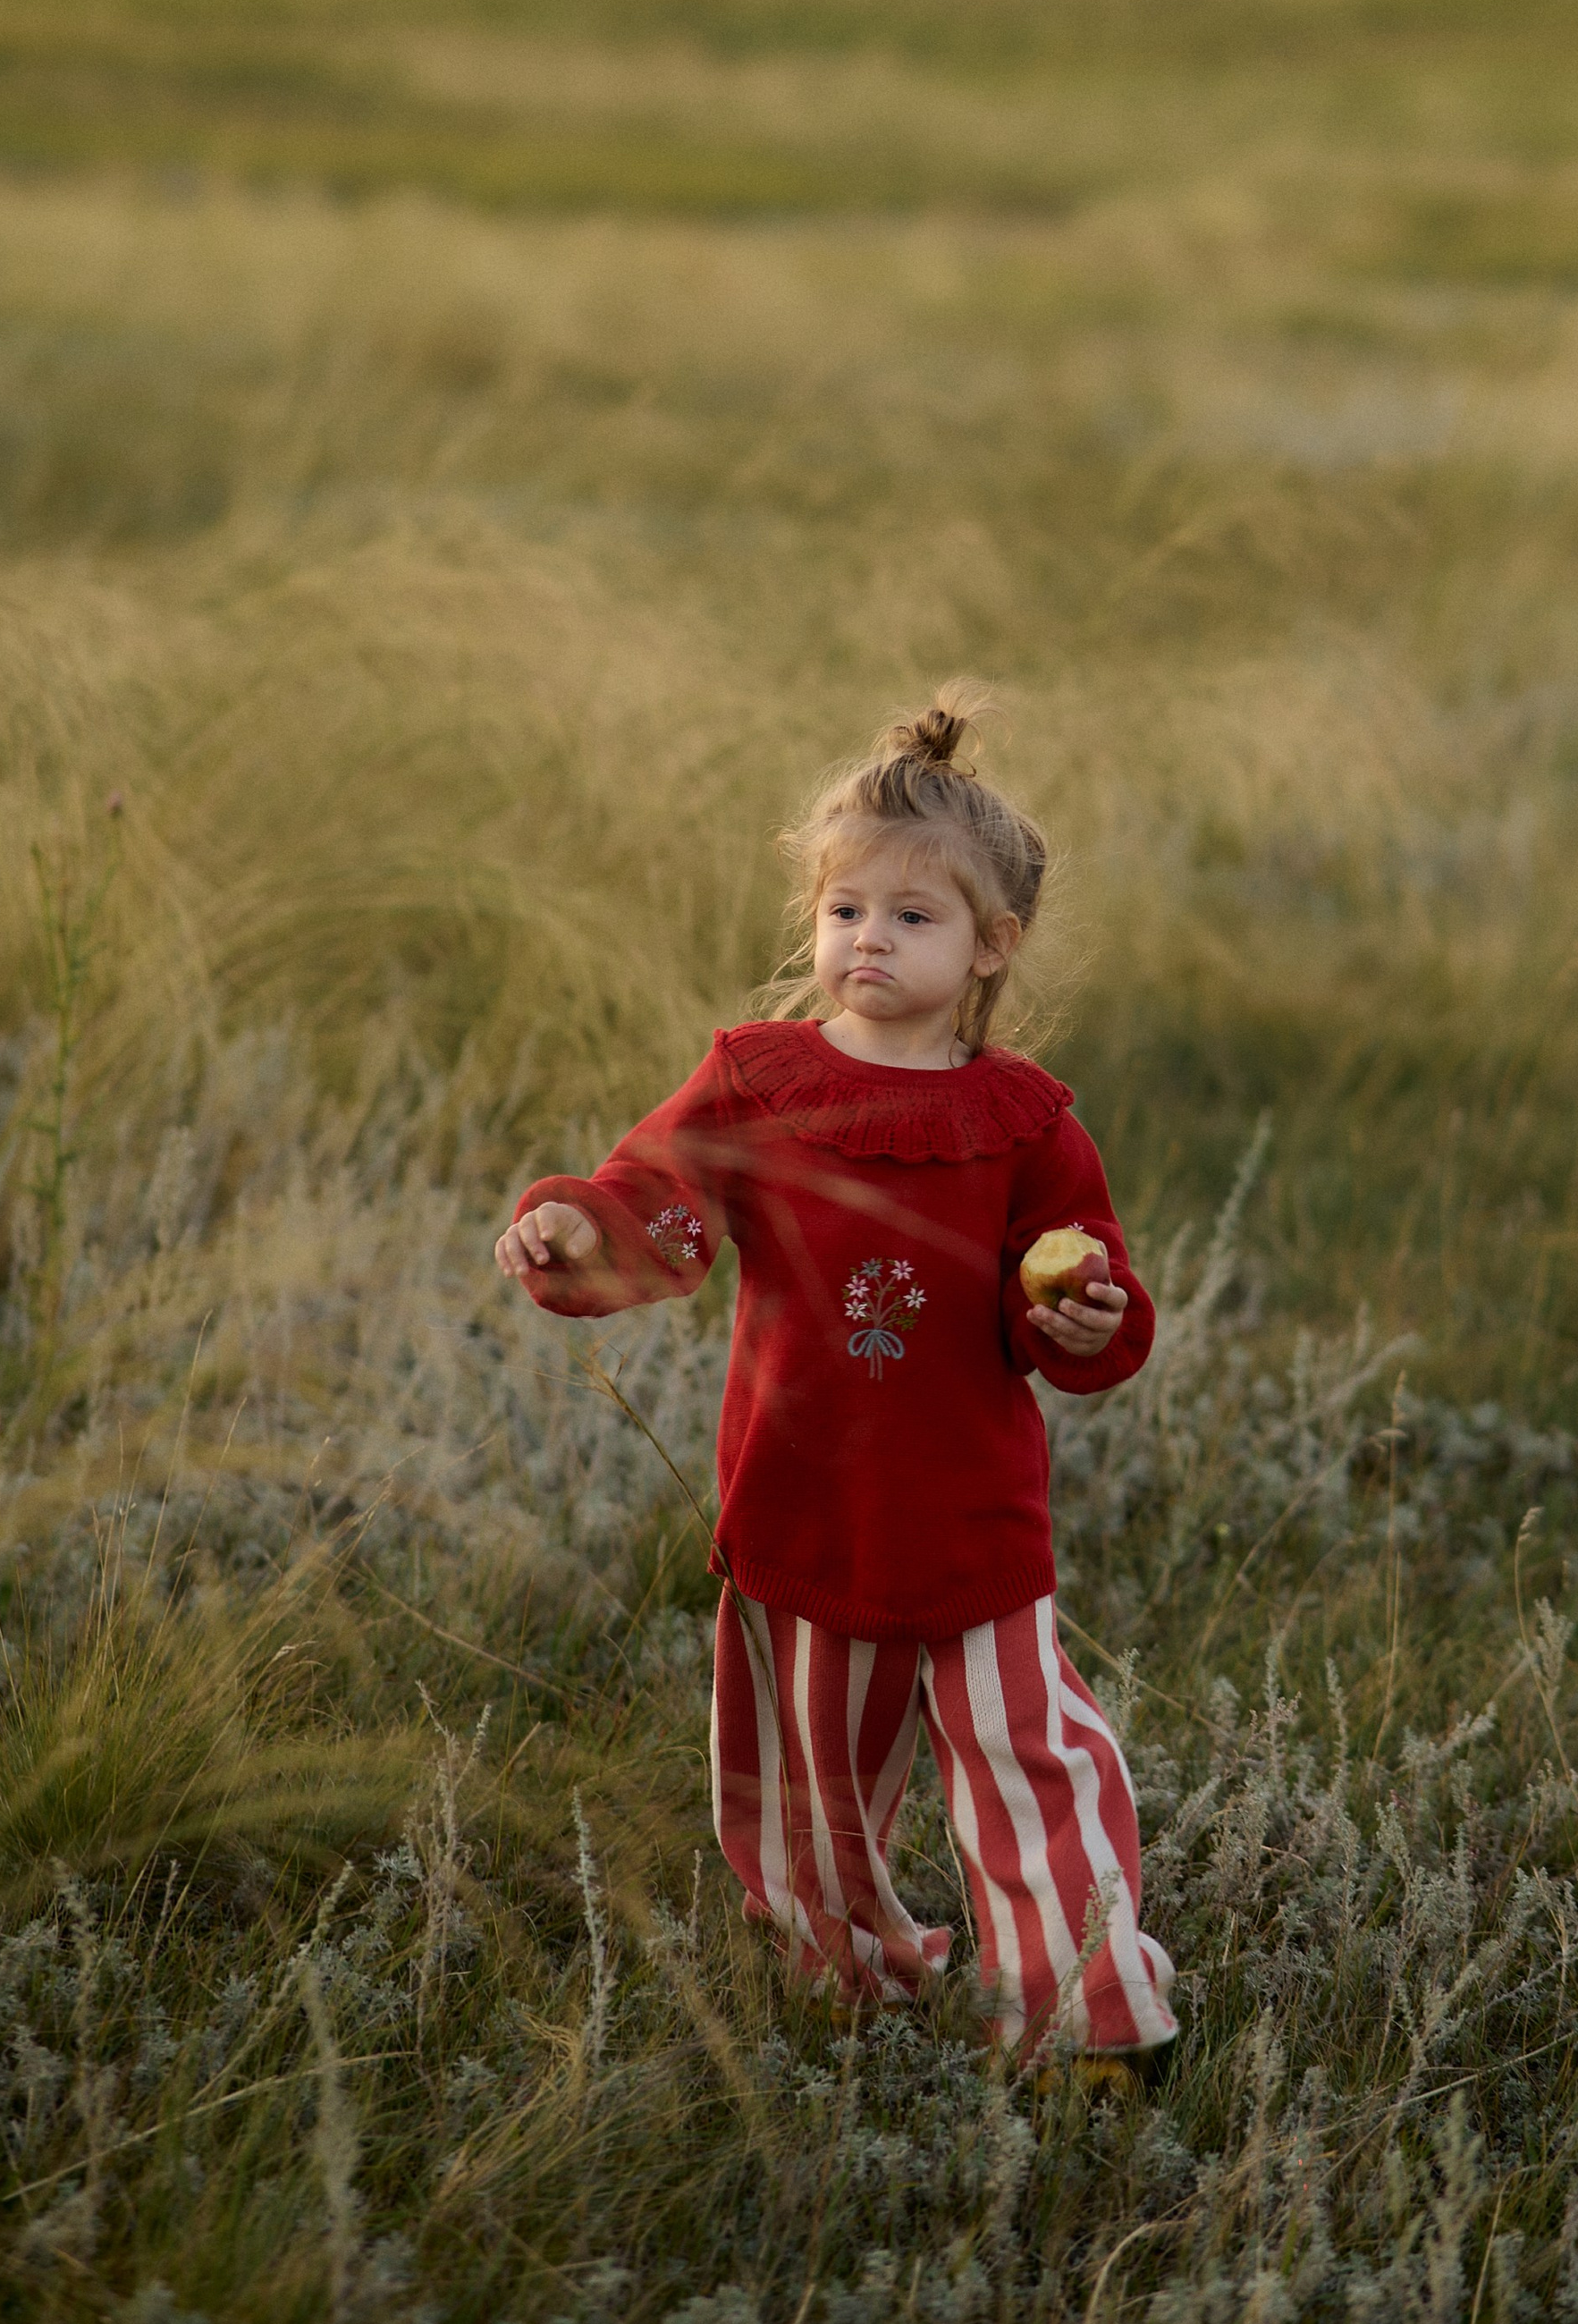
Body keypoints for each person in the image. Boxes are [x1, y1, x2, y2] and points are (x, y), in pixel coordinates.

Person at [493, 697, 1177, 2073]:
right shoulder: (757, 1083)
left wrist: (1089, 1317)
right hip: (805, 1502)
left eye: (913, 919)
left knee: (1034, 1763)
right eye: (847, 908)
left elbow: (1076, 1293)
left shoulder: (1026, 1123)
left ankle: (1086, 2014)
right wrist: (576, 1228)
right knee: (814, 1786)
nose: (870, 938)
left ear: (994, 946)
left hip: (972, 1516)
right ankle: (851, 1976)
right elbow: (654, 1203)